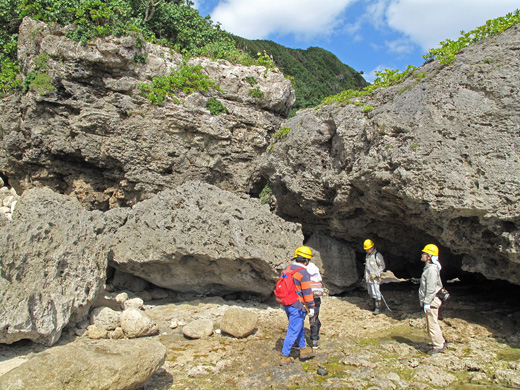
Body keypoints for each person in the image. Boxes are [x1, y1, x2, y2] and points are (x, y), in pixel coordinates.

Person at [279, 246, 316, 365]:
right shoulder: (302, 272)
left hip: (286, 303)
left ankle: (303, 348)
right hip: (297, 305)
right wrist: (311, 306)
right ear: (306, 260)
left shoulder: (287, 268)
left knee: (298, 326)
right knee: (293, 329)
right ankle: (284, 355)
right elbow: (307, 291)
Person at [419, 244, 446, 354]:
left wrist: (426, 302)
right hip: (430, 300)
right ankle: (440, 341)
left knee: (432, 323)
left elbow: (430, 288)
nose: (422, 255)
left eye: (424, 253)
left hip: (432, 300)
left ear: (429, 256)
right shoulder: (430, 268)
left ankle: (438, 346)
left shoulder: (431, 270)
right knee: (432, 322)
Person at [306, 256, 324, 350]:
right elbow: (320, 280)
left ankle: (300, 341)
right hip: (315, 296)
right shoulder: (314, 267)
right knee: (314, 317)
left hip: (304, 296)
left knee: (301, 317)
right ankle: (314, 340)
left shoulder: (298, 268)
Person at [363, 239, 385, 314]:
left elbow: (382, 266)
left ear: (372, 248)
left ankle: (378, 308)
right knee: (371, 292)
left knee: (377, 293)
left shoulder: (377, 255)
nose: (366, 250)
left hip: (375, 279)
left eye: (367, 249)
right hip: (369, 278)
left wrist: (376, 274)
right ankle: (374, 305)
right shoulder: (367, 255)